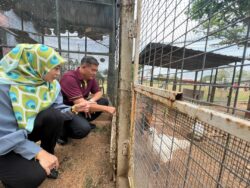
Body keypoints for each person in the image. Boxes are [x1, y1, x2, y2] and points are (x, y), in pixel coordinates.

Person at [0, 44, 86, 188]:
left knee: (54, 115)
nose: (58, 73)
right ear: (37, 65)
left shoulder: (50, 85)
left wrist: (73, 109)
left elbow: (57, 110)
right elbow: (4, 135)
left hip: (25, 130)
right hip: (5, 139)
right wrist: (36, 152)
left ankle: (48, 154)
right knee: (31, 177)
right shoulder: (4, 87)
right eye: (56, 68)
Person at [59, 56, 115, 144]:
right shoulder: (69, 78)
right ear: (83, 67)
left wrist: (91, 101)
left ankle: (82, 121)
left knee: (103, 101)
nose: (95, 73)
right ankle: (61, 133)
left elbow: (99, 92)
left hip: (80, 107)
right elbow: (81, 105)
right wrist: (107, 109)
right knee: (83, 129)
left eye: (96, 70)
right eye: (93, 70)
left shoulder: (90, 78)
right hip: (66, 110)